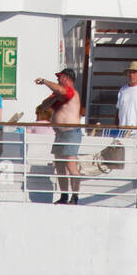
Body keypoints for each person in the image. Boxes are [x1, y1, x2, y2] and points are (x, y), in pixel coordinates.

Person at [37, 68, 82, 204]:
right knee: (60, 166)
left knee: (70, 165)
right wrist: (54, 97)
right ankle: (64, 196)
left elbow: (63, 91)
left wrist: (44, 81)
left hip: (71, 132)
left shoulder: (71, 91)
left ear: (67, 79)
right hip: (60, 134)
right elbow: (42, 107)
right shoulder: (58, 95)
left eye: (59, 77)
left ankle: (75, 196)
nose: (57, 80)